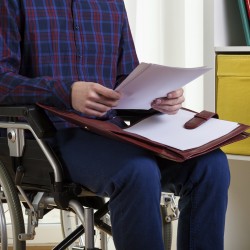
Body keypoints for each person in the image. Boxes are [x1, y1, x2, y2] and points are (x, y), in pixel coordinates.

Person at [0, 1, 230, 249]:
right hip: (45, 137)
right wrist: (65, 92)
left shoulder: (110, 3)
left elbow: (125, 79)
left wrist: (158, 97)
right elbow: (3, 79)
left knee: (210, 164)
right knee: (136, 170)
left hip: (111, 132)